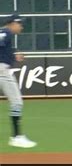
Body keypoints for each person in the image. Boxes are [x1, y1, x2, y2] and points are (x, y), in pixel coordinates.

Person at [0, 14, 37, 148]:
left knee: (16, 103)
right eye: (20, 24)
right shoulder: (6, 32)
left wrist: (14, 56)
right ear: (12, 23)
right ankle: (16, 137)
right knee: (16, 102)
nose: (21, 27)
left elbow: (3, 50)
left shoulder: (5, 33)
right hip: (2, 71)